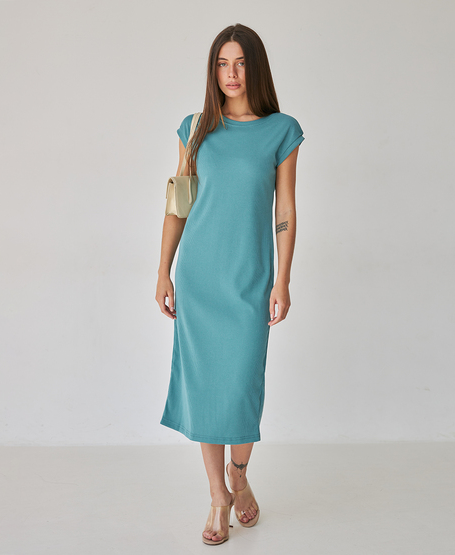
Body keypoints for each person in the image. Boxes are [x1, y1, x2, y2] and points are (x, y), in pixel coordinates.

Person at [156, 23, 305, 546]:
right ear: (213, 70)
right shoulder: (196, 128)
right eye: (223, 63)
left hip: (249, 279)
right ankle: (218, 496)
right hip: (199, 277)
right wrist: (163, 270)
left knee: (241, 388)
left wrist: (283, 279)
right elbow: (179, 203)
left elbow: (285, 209)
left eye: (240, 62)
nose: (231, 73)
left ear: (255, 67)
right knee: (206, 390)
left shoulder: (281, 131)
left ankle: (238, 472)